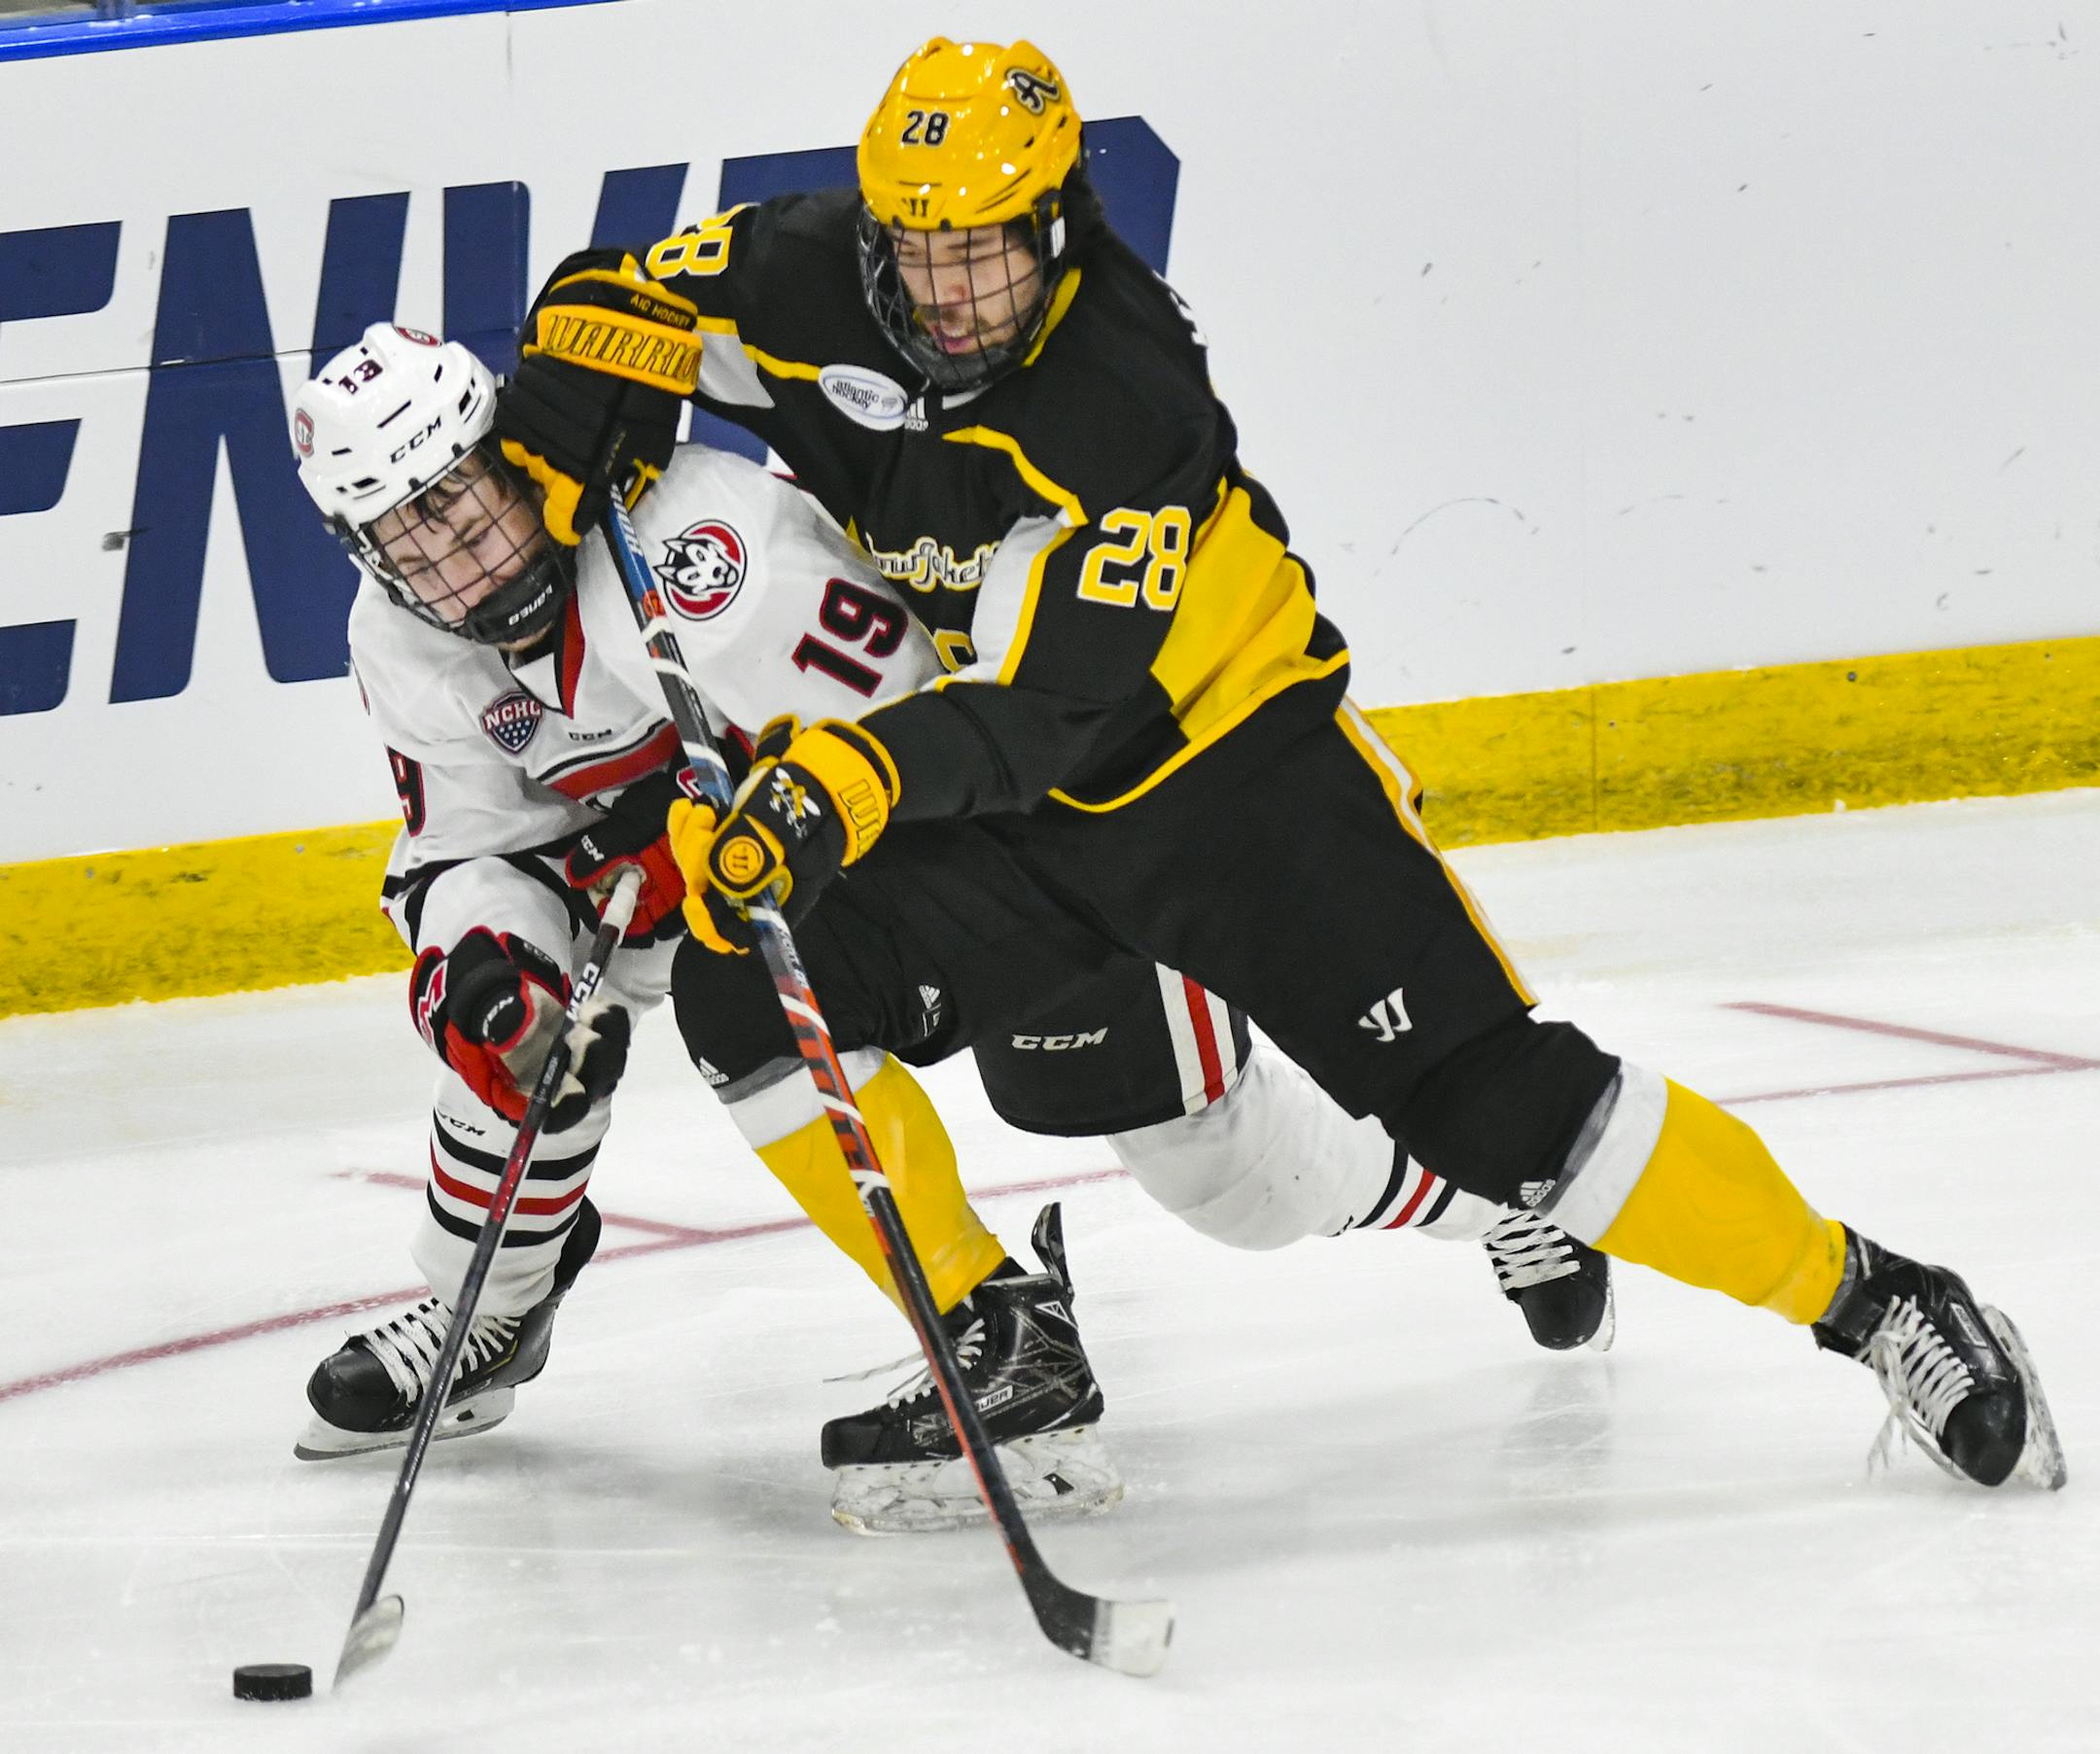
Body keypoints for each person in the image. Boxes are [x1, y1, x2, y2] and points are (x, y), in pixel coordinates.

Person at [492, 37, 2064, 1494]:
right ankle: (996, 1326)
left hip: (1230, 779)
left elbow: (1062, 710)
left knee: (1503, 1108)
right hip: (1026, 816)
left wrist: (844, 785)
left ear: (1059, 229)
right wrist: (571, 426)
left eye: (984, 252)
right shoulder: (811, 267)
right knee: (742, 978)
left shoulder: (1126, 396)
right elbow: (598, 297)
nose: (948, 291)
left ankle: (1880, 1301)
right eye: (919, 250)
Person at [286, 322, 1616, 1534]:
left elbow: (929, 727)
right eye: (409, 540)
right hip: (741, 877)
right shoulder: (405, 642)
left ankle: (1491, 1189)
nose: (457, 563)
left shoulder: (700, 555)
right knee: (521, 1027)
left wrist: (743, 825)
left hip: (985, 845)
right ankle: (493, 1316)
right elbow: (468, 839)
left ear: (514, 462)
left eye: (463, 508)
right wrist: (490, 958)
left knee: (1227, 1179)